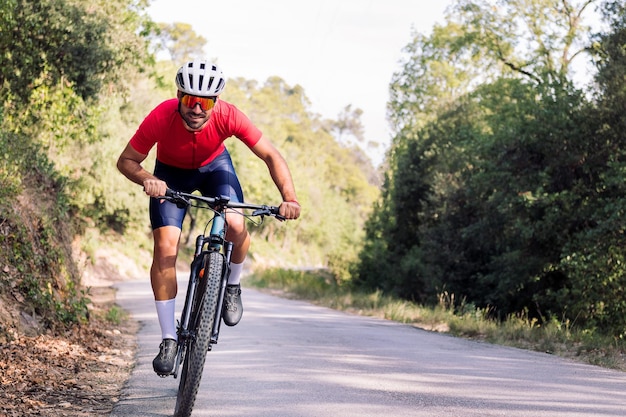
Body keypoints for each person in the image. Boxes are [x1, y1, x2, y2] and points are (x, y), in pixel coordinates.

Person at [117, 59, 300, 375]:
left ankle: (232, 285)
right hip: (170, 176)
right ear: (179, 95)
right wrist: (148, 177)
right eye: (190, 100)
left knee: (235, 222)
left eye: (206, 102)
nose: (197, 109)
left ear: (216, 103)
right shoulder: (161, 116)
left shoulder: (230, 116)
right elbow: (126, 161)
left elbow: (271, 155)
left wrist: (290, 198)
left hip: (216, 169)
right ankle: (168, 340)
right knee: (165, 250)